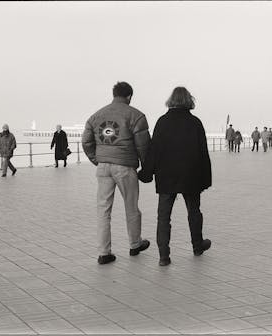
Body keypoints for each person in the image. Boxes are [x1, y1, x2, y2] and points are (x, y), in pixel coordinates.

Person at [138, 87, 212, 266]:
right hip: (191, 174)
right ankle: (197, 246)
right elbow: (203, 153)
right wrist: (206, 179)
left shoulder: (163, 122)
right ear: (189, 100)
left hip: (166, 175)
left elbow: (154, 150)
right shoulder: (195, 123)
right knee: (194, 211)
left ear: (171, 100)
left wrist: (146, 173)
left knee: (163, 216)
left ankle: (164, 256)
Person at [81, 81, 151, 265]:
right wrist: (146, 167)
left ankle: (104, 253)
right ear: (129, 96)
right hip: (125, 166)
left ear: (114, 95)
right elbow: (143, 146)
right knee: (131, 206)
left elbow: (86, 141)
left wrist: (97, 159)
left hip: (103, 167)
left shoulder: (96, 116)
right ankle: (135, 244)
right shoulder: (136, 116)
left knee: (103, 209)